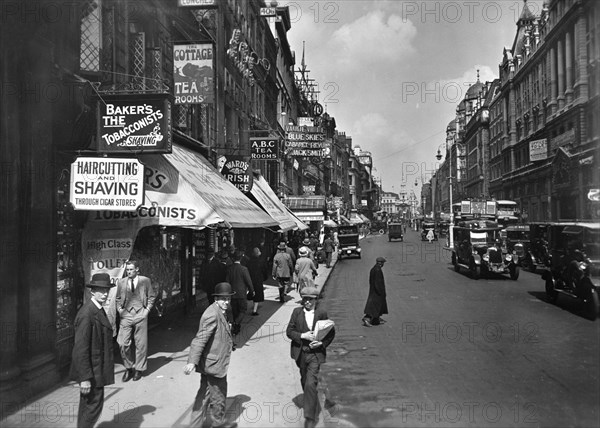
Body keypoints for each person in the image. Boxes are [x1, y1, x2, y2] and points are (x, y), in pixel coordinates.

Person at [184, 282, 237, 428]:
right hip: (214, 364)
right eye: (223, 299)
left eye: (228, 299)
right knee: (218, 396)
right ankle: (218, 423)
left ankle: (195, 424)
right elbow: (199, 340)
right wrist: (191, 361)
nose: (226, 302)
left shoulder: (220, 311)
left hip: (211, 361)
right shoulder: (212, 315)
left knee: (204, 395)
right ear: (216, 299)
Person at [70, 273, 115, 428]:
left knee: (88, 409)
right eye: (100, 290)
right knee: (92, 409)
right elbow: (80, 349)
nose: (104, 293)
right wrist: (85, 378)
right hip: (92, 373)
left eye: (106, 290)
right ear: (92, 291)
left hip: (96, 370)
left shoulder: (96, 309)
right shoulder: (87, 314)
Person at [286, 287, 335, 428]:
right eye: (305, 299)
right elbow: (289, 331)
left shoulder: (321, 313)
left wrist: (321, 343)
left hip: (315, 354)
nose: (307, 302)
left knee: (310, 383)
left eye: (310, 299)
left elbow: (331, 332)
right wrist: (302, 336)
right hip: (301, 353)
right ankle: (312, 397)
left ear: (316, 300)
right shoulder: (296, 312)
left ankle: (310, 417)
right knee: (304, 380)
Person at [115, 260, 156, 382]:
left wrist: (147, 310)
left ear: (137, 269)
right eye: (127, 270)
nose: (129, 272)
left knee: (141, 344)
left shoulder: (145, 281)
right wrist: (120, 310)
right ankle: (129, 367)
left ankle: (139, 369)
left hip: (140, 314)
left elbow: (151, 297)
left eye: (131, 269)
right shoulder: (122, 282)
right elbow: (117, 298)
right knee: (122, 343)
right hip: (126, 315)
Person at [226, 250, 254, 335]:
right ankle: (235, 324)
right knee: (242, 310)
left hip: (232, 293)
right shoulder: (244, 269)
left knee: (235, 311)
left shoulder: (229, 269)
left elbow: (227, 281)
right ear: (241, 258)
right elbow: (248, 281)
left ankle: (236, 329)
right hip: (241, 293)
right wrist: (252, 290)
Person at [362, 257, 389, 327]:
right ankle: (367, 319)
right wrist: (381, 292)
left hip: (373, 290)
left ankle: (376, 319)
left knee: (377, 307)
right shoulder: (378, 270)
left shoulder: (374, 269)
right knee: (374, 307)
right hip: (377, 292)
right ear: (381, 263)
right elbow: (378, 282)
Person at [246, 247, 268, 316]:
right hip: (258, 280)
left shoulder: (249, 261)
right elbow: (264, 270)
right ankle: (254, 310)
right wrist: (264, 278)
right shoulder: (261, 261)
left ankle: (248, 306)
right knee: (257, 295)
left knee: (251, 292)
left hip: (251, 279)